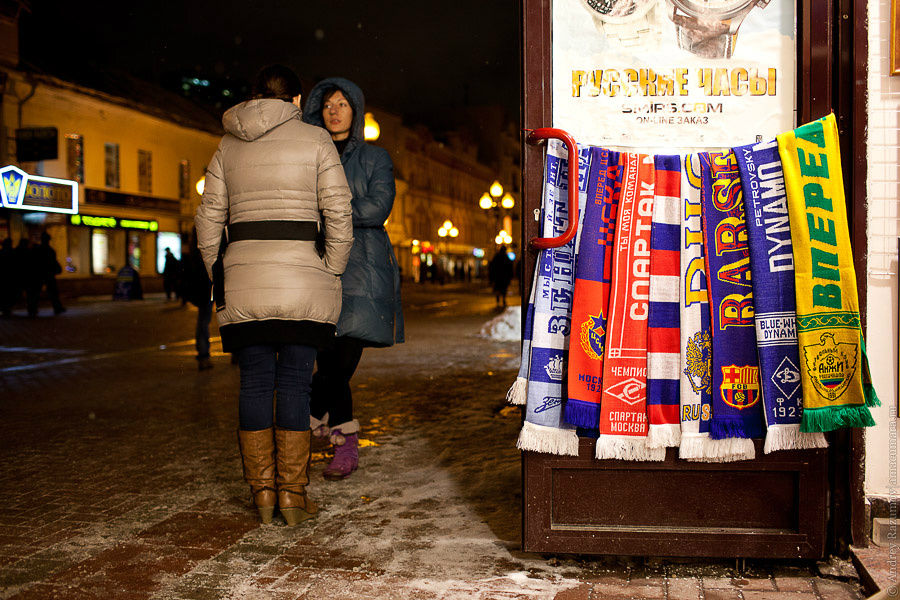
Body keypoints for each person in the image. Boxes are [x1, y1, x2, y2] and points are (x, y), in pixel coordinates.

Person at [195, 64, 353, 526]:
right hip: (304, 278)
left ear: (252, 97)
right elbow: (338, 211)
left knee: (255, 383)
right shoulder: (316, 140)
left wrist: (222, 271)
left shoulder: (227, 145)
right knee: (295, 384)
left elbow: (208, 221)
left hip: (244, 277)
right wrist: (332, 267)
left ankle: (262, 493)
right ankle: (292, 494)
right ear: (297, 102)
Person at [302, 77, 405, 481]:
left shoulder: (375, 158)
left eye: (343, 103)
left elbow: (378, 207)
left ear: (355, 110)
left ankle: (306, 421)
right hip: (320, 266)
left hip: (363, 269)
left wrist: (326, 208)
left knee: (338, 363)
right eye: (327, 103)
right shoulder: (308, 152)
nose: (334, 110)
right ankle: (341, 445)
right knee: (329, 360)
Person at [183, 227, 214, 371]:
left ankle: (203, 355)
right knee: (230, 317)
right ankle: (237, 353)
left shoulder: (196, 240)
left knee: (203, 320)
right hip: (209, 283)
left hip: (204, 284)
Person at [26, 232, 65, 317]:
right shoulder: (49, 250)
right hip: (46, 274)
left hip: (40, 274)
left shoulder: (39, 249)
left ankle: (33, 309)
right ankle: (56, 307)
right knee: (51, 291)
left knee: (38, 292)